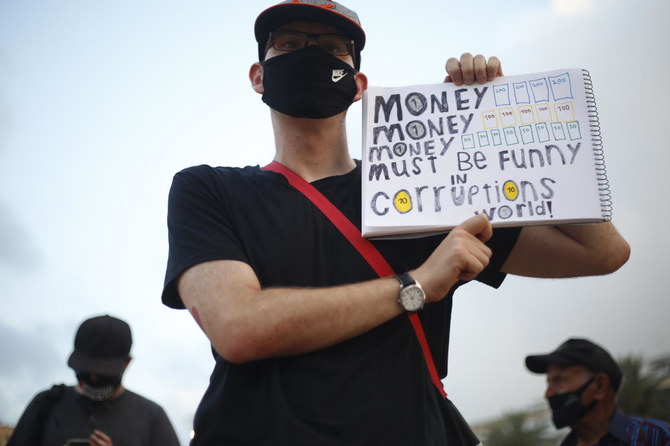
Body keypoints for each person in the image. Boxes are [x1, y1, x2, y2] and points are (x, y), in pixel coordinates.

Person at [162, 1, 631, 444]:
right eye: (287, 43)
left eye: (330, 48)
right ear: (258, 76)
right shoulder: (208, 189)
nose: (308, 54)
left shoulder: (427, 188)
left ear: (358, 84)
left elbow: (603, 253)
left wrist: (504, 124)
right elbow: (239, 328)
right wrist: (417, 284)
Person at [7, 315, 180, 446]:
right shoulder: (46, 404)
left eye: (103, 372)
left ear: (126, 363)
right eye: (86, 369)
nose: (93, 377)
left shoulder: (152, 416)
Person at [526, 338, 670, 445]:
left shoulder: (655, 437)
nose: (548, 394)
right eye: (549, 382)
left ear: (600, 386)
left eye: (559, 380)